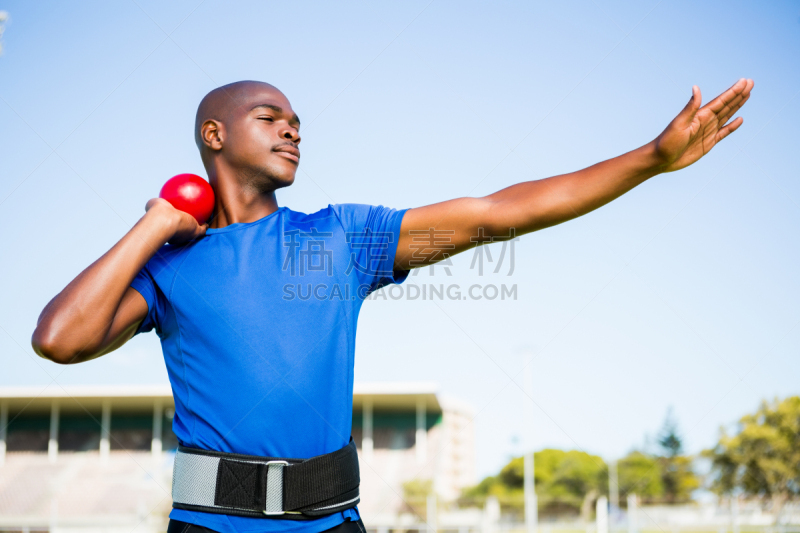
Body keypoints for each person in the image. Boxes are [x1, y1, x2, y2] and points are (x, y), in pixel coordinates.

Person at [31, 78, 754, 533]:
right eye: (270, 116)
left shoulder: (340, 237)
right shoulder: (170, 266)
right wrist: (156, 224)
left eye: (297, 121)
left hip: (334, 522)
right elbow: (60, 338)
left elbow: (492, 213)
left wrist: (649, 160)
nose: (293, 129)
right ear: (213, 137)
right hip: (210, 525)